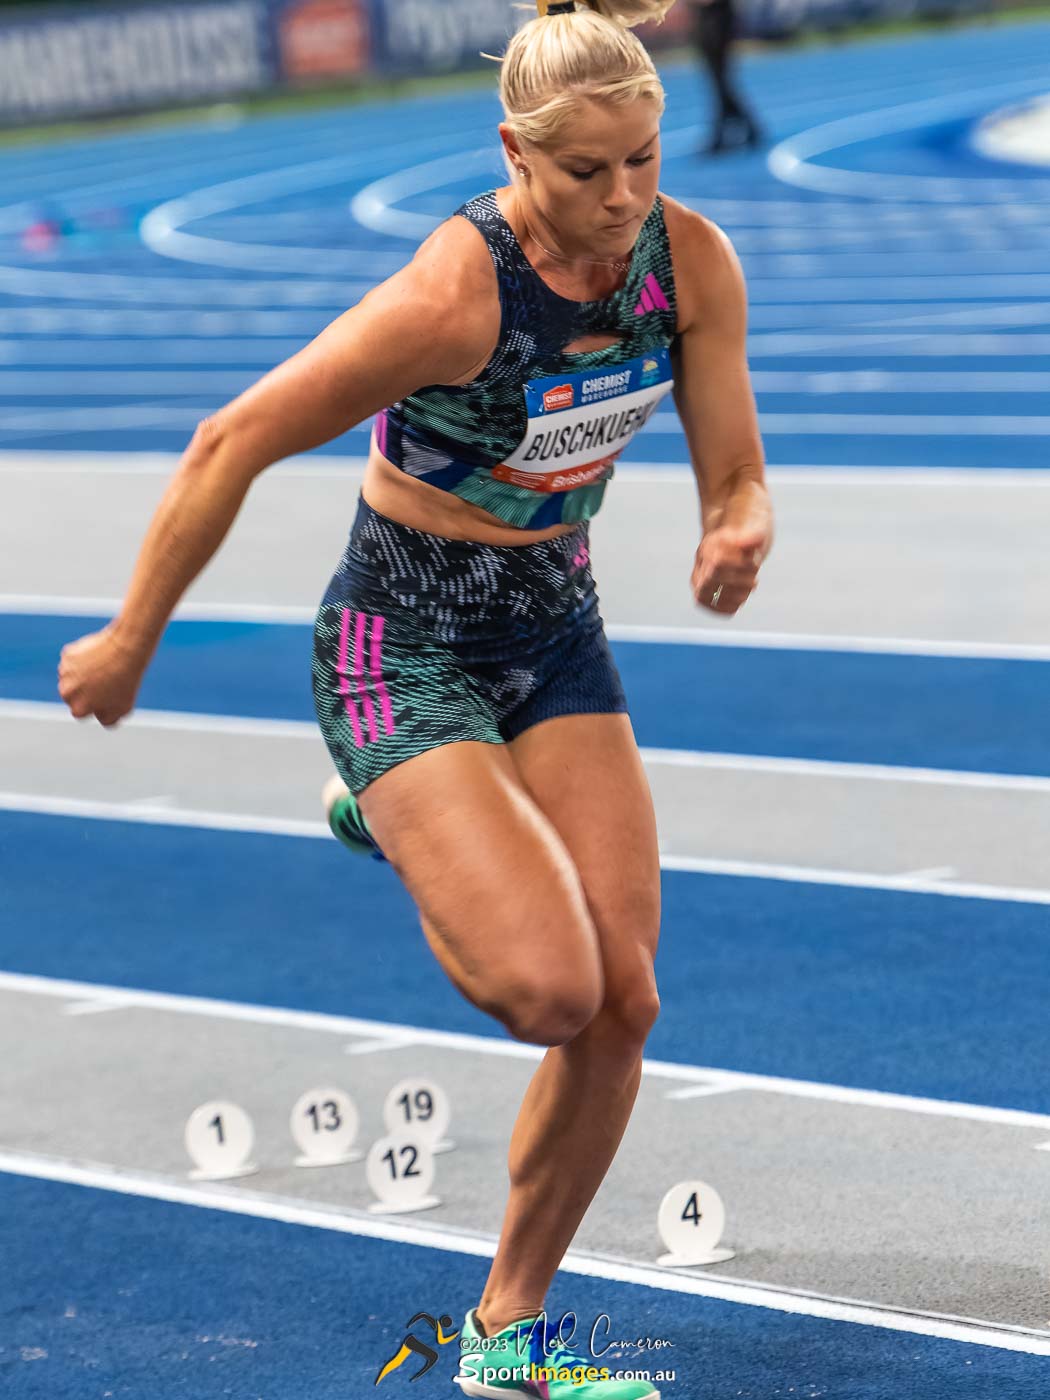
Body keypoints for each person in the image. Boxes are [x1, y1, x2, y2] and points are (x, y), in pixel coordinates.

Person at [58, 0, 773, 1393]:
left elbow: (733, 463)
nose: (623, 197)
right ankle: (387, 806)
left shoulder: (687, 263)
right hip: (404, 645)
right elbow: (233, 438)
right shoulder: (453, 293)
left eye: (643, 159)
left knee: (624, 1004)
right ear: (515, 152)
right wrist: (132, 636)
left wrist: (737, 523)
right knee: (547, 991)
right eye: (585, 173)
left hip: (553, 635)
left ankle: (505, 1335)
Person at [687, 0, 764, 154]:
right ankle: (748, 128)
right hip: (708, 19)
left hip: (717, 19)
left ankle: (722, 134)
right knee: (719, 83)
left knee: (720, 82)